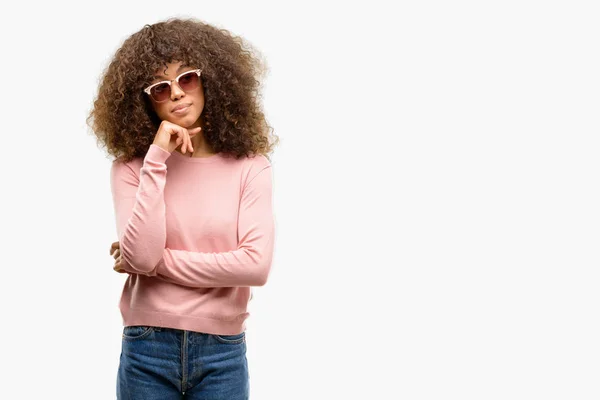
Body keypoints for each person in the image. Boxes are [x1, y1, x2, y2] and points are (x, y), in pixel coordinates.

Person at [86, 17, 279, 399]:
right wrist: (157, 158)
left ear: (210, 80)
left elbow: (255, 266)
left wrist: (156, 263)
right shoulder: (132, 168)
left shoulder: (250, 166)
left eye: (186, 78)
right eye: (161, 87)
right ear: (145, 100)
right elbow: (140, 256)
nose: (176, 93)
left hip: (222, 352)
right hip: (147, 348)